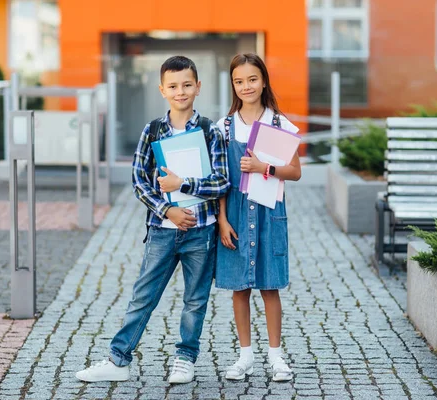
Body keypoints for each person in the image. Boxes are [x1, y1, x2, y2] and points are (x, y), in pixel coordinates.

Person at [76, 55, 229, 384]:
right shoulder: (153, 130)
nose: (181, 91)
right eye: (173, 86)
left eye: (187, 85)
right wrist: (167, 209)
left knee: (195, 299)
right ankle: (118, 359)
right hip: (161, 230)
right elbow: (139, 181)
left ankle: (185, 357)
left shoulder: (209, 131)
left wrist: (184, 185)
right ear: (162, 89)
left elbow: (221, 182)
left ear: (198, 87)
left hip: (201, 231)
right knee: (143, 296)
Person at [215, 53, 301, 382]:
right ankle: (245, 356)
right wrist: (222, 219)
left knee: (269, 285)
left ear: (263, 81)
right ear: (233, 85)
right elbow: (220, 179)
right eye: (239, 81)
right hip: (235, 214)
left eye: (252, 79)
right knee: (239, 288)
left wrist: (264, 168)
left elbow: (294, 172)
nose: (246, 86)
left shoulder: (279, 124)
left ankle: (276, 356)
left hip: (268, 213)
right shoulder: (224, 128)